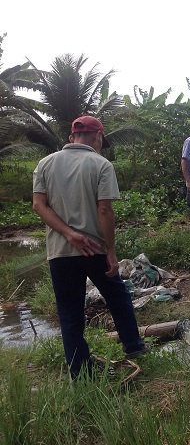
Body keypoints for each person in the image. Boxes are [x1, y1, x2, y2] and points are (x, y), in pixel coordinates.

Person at [32, 115, 146, 379]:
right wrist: (111, 252)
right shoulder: (101, 164)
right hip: (94, 248)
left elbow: (39, 205)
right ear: (98, 136)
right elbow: (104, 209)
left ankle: (79, 370)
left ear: (73, 137)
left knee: (69, 311)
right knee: (118, 298)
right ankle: (134, 347)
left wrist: (69, 234)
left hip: (60, 253)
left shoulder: (45, 163)